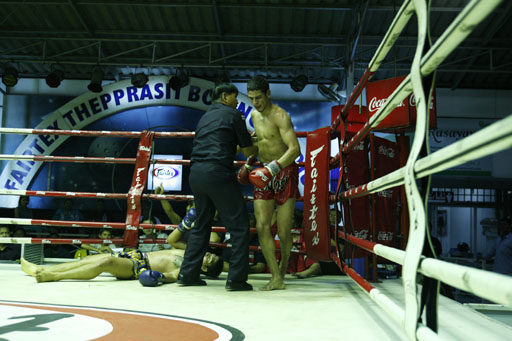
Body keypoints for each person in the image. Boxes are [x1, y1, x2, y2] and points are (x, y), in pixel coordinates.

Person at [178, 82, 257, 291]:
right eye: (234, 97)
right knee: (239, 226)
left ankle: (187, 274)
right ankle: (236, 280)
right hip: (217, 173)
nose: (237, 102)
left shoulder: (205, 117)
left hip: (196, 174)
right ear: (224, 97)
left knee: (201, 223)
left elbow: (219, 141)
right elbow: (249, 152)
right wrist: (258, 144)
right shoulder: (233, 115)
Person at [241, 75, 301, 290]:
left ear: (268, 93)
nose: (255, 102)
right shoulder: (254, 116)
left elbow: (295, 149)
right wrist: (250, 163)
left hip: (284, 172)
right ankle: (275, 276)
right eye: (251, 98)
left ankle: (281, 274)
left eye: (258, 97)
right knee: (262, 226)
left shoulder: (280, 116)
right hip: (264, 172)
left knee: (284, 231)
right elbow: (262, 143)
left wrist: (272, 169)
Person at [20, 248, 223, 285]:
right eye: (212, 254)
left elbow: (170, 276)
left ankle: (51, 277)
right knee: (88, 260)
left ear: (204, 269)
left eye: (210, 259)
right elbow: (173, 238)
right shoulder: (191, 251)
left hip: (138, 265)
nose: (209, 254)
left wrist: (157, 277)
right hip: (135, 254)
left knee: (104, 263)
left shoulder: (187, 269)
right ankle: (42, 269)